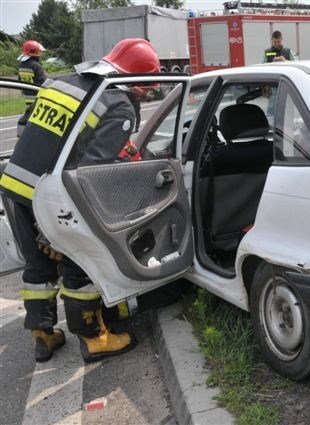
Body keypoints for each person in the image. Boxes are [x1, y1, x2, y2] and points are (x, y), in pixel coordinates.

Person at [0, 38, 161, 363]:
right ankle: (94, 338)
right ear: (135, 78)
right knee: (80, 260)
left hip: (16, 181)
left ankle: (43, 335)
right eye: (147, 86)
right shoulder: (118, 102)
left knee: (37, 266)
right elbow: (91, 172)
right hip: (54, 194)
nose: (146, 93)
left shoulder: (63, 81)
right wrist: (54, 229)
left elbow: (29, 127)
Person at [17, 40, 48, 137]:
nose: (40, 54)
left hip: (28, 98)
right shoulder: (36, 65)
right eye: (39, 52)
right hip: (38, 97)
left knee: (31, 117)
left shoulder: (21, 65)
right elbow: (44, 82)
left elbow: (20, 81)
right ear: (34, 52)